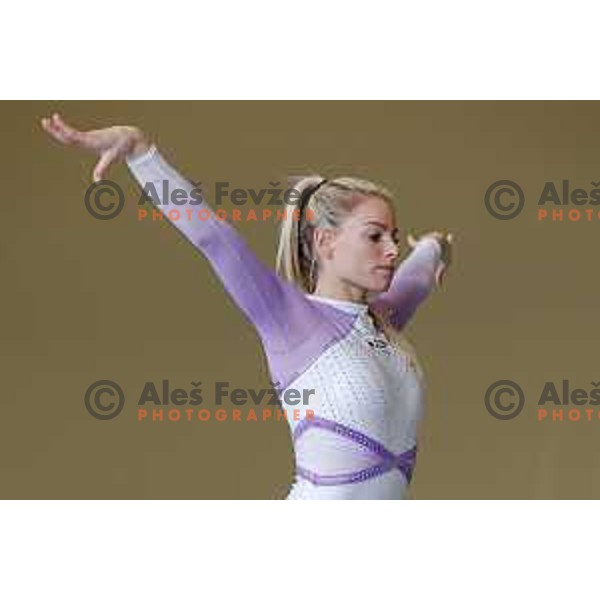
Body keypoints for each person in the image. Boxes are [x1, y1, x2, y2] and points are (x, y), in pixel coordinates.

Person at [41, 113, 453, 499]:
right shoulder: (292, 319)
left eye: (395, 237)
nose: (392, 250)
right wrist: (139, 152)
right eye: (375, 236)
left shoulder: (385, 318)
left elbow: (417, 272)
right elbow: (215, 239)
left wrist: (437, 246)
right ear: (325, 243)